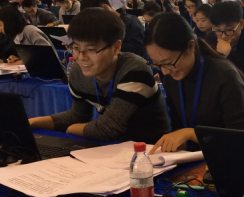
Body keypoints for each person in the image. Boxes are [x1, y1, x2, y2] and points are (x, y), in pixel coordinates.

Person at [29, 8, 170, 143]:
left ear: (116, 47)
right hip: (110, 150)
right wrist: (34, 122)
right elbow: (78, 116)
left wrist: (70, 129)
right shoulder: (78, 71)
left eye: (91, 49)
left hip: (149, 150)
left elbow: (108, 129)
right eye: (75, 48)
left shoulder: (135, 70)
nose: (81, 57)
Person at [145, 12, 244, 152]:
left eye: (168, 63)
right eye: (156, 64)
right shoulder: (171, 76)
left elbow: (243, 139)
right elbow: (178, 123)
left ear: (191, 46)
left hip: (227, 157)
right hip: (192, 157)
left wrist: (192, 134)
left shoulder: (224, 76)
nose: (165, 71)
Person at [205, 1, 244, 87]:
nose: (223, 36)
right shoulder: (211, 38)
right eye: (218, 30)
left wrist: (229, 53)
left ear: (241, 24)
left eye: (228, 30)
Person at [80, 0, 147, 59]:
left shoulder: (130, 22)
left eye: (94, 19)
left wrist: (107, 47)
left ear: (105, 8)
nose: (94, 23)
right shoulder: (104, 26)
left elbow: (139, 51)